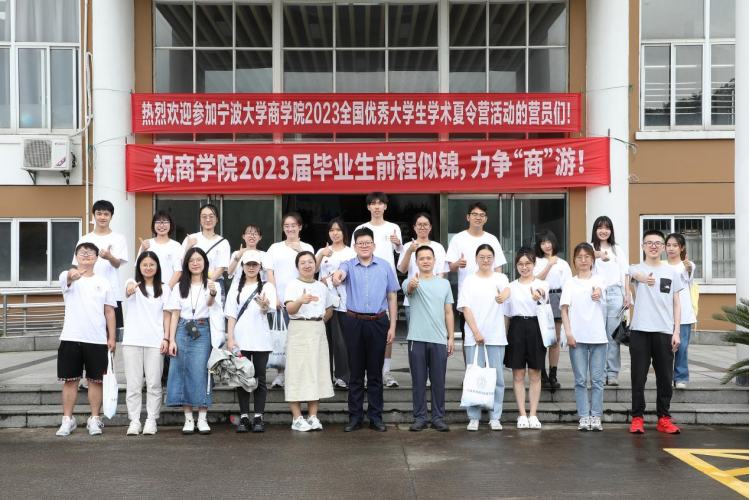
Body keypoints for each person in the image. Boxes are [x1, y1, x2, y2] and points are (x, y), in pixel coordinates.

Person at [332, 227, 399, 432]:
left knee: (376, 373)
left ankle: (376, 417)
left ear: (374, 245)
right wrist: (337, 276)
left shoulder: (385, 266)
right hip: (354, 322)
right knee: (356, 373)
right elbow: (340, 272)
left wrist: (392, 326)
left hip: (378, 322)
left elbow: (392, 296)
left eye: (368, 242)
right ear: (355, 247)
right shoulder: (349, 265)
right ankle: (355, 417)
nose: (364, 246)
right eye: (360, 243)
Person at [56, 242, 116, 437]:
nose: (86, 255)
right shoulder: (67, 277)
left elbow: (109, 311)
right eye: (82, 252)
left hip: (97, 339)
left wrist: (112, 337)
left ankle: (95, 419)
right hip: (71, 337)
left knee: (96, 381)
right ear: (76, 256)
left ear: (97, 257)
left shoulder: (104, 282)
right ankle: (67, 419)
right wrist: (73, 273)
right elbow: (70, 275)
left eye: (91, 252)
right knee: (70, 380)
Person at [627, 230, 683, 435]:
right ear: (643, 246)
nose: (653, 246)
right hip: (640, 330)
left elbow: (677, 304)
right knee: (638, 377)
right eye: (649, 242)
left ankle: (664, 418)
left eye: (658, 243)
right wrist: (644, 279)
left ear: (663, 247)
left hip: (664, 331)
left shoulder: (672, 272)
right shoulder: (636, 268)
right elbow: (634, 275)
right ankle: (637, 418)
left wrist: (676, 332)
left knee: (665, 377)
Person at [165, 247, 222, 435]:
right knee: (182, 372)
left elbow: (209, 304)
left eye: (199, 260)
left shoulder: (212, 285)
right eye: (192, 261)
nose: (196, 263)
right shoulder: (179, 286)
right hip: (182, 328)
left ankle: (202, 418)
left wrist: (212, 293)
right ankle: (188, 418)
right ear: (187, 264)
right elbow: (174, 314)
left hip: (202, 329)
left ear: (205, 262)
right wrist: (171, 340)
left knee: (201, 372)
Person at [351, 192, 403, 388]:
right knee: (363, 333)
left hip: (386, 283)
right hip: (363, 283)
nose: (377, 206)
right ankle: (365, 373)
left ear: (385, 206)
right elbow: (353, 254)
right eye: (373, 203)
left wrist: (398, 242)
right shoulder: (360, 229)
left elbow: (400, 251)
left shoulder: (393, 227)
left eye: (380, 203)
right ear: (368, 207)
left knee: (388, 330)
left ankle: (386, 371)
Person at [457, 244, 510, 432]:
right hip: (474, 337)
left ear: (494, 259)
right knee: (474, 377)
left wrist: (502, 297)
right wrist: (476, 332)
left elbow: (507, 291)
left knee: (497, 379)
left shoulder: (501, 278)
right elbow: (465, 308)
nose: (486, 260)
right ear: (476, 259)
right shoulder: (469, 281)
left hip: (495, 336)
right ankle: (474, 416)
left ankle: (495, 416)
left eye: (489, 257)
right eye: (482, 257)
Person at [445, 202, 506, 362]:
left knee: (491, 335)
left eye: (481, 215)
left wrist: (500, 292)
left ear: (486, 219)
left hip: (491, 298)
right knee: (469, 336)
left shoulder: (492, 239)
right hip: (469, 297)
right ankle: (470, 371)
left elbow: (498, 267)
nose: (478, 218)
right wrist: (458, 263)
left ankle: (490, 370)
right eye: (474, 214)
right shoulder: (458, 238)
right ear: (468, 217)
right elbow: (450, 267)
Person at [403, 246, 454, 432]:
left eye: (428, 258)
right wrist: (412, 285)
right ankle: (420, 418)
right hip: (416, 338)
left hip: (439, 338)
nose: (425, 261)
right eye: (421, 258)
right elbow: (409, 290)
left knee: (438, 381)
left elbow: (448, 312)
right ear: (416, 262)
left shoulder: (444, 284)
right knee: (418, 381)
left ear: (434, 261)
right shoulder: (410, 281)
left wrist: (450, 337)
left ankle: (438, 418)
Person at [226, 250, 276, 434]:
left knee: (260, 378)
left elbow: (266, 311)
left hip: (261, 339)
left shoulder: (267, 286)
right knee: (242, 378)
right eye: (248, 264)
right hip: (241, 340)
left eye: (255, 265)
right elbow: (231, 315)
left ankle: (258, 417)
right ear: (243, 266)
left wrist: (264, 304)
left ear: (260, 266)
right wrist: (230, 338)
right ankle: (244, 416)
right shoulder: (235, 288)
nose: (252, 267)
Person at [284, 251, 334, 432]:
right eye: (303, 262)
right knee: (296, 372)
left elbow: (329, 310)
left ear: (315, 264)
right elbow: (290, 309)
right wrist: (300, 301)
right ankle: (297, 418)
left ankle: (313, 416)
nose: (307, 265)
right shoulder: (293, 285)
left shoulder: (321, 286)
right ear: (297, 267)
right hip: (299, 328)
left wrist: (317, 322)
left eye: (310, 262)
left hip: (317, 330)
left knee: (316, 371)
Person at [122, 251, 170, 436]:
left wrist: (166, 338)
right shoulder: (132, 283)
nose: (148, 268)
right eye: (144, 265)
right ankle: (134, 421)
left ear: (157, 267)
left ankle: (151, 420)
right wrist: (131, 288)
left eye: (152, 264)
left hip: (155, 342)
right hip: (132, 341)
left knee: (154, 384)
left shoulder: (165, 289)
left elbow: (167, 316)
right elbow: (128, 289)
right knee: (133, 385)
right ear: (139, 267)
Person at [560, 243, 607, 432]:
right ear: (574, 260)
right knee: (580, 380)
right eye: (579, 257)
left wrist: (597, 293)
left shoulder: (599, 279)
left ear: (592, 260)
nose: (583, 260)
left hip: (598, 337)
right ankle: (583, 416)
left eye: (587, 256)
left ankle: (595, 416)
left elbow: (599, 290)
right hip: (577, 338)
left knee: (597, 380)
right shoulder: (570, 282)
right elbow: (564, 309)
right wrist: (568, 332)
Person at [266, 212, 315, 388]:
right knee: (281, 338)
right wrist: (274, 296)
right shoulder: (275, 248)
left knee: (300, 339)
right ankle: (280, 374)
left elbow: (311, 268)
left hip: (302, 300)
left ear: (300, 227)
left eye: (294, 225)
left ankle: (299, 374)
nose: (290, 228)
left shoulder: (307, 247)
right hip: (280, 301)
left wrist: (300, 251)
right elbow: (270, 272)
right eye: (287, 226)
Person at [505, 247, 549, 430]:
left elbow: (542, 293)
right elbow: (506, 314)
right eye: (520, 264)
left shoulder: (542, 283)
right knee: (518, 373)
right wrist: (504, 334)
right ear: (516, 265)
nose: (524, 267)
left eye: (528, 263)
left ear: (534, 264)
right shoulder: (510, 286)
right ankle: (522, 414)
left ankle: (533, 414)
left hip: (536, 327)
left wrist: (537, 294)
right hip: (516, 327)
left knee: (535, 373)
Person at [73, 200, 128, 338]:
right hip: (88, 292)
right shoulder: (84, 239)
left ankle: (109, 353)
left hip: (111, 293)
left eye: (106, 214)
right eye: (99, 214)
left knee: (110, 334)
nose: (102, 217)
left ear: (111, 216)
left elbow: (117, 264)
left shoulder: (119, 238)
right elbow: (77, 266)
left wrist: (109, 257)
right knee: (88, 332)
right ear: (94, 215)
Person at [317, 218, 357, 389]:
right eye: (332, 230)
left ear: (344, 232)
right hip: (324, 302)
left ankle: (342, 376)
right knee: (325, 341)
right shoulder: (323, 251)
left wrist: (336, 278)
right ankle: (325, 376)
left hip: (343, 303)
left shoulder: (351, 253)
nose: (335, 233)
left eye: (338, 230)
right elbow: (314, 271)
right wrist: (321, 255)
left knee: (341, 341)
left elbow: (354, 275)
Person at [591, 216, 630, 386]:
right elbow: (584, 257)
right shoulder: (590, 248)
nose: (603, 231)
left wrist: (627, 294)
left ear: (611, 231)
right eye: (600, 227)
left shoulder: (617, 249)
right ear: (595, 230)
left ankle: (612, 373)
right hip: (596, 294)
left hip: (615, 293)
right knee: (597, 335)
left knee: (614, 336)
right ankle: (598, 373)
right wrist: (600, 254)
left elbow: (625, 273)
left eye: (607, 228)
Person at [533, 230, 572, 390]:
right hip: (541, 299)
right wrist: (549, 264)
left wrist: (566, 305)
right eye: (543, 243)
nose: (547, 245)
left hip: (558, 298)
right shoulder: (536, 261)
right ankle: (542, 374)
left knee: (555, 340)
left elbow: (568, 285)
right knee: (542, 339)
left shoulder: (563, 263)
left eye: (549, 242)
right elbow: (535, 279)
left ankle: (553, 374)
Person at [397, 212, 448, 324]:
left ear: (430, 227)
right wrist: (409, 251)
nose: (422, 227)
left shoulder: (438, 247)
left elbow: (441, 272)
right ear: (414, 227)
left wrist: (433, 290)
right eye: (419, 224)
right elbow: (403, 270)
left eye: (425, 224)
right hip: (412, 299)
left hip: (433, 299)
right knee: (414, 333)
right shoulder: (407, 246)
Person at [665, 233, 697, 389]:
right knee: (665, 348)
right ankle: (665, 377)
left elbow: (690, 271)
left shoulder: (687, 265)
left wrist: (688, 266)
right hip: (665, 314)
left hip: (684, 315)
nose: (671, 248)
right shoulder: (662, 266)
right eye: (668, 245)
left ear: (682, 247)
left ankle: (680, 378)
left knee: (682, 347)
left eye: (675, 245)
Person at [182, 204, 231, 303]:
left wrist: (208, 281)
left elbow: (221, 268)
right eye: (204, 216)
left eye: (211, 216)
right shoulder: (191, 238)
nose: (208, 219)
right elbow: (183, 263)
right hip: (193, 283)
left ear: (217, 219)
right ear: (199, 219)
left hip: (215, 283)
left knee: (216, 311)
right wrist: (188, 247)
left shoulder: (223, 242)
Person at [136, 210, 183, 289]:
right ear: (153, 224)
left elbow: (178, 271)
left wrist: (167, 290)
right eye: (158, 222)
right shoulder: (146, 243)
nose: (161, 225)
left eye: (165, 222)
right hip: (148, 290)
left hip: (169, 290)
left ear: (170, 224)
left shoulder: (176, 246)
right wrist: (142, 251)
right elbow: (139, 267)